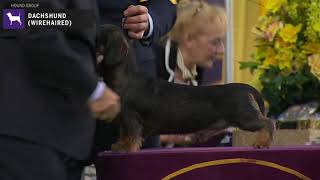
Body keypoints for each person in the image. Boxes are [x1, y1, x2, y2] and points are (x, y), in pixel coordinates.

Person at [0, 1, 120, 179]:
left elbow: (63, 21)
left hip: (63, 136)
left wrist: (87, 57)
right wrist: (92, 89)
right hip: (30, 130)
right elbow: (33, 25)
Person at [95, 0, 177, 149]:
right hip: (61, 84)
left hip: (134, 90)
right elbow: (40, 14)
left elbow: (165, 4)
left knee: (141, 170)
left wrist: (149, 21)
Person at [153, 0, 228, 147]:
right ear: (188, 39)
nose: (222, 51)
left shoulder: (195, 70)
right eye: (215, 42)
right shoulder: (154, 63)